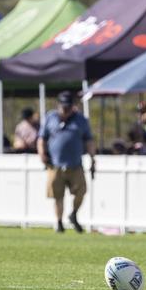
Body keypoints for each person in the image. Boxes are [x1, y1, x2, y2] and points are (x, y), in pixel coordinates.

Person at [37, 92, 95, 233]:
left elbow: (89, 140)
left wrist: (93, 158)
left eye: (68, 107)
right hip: (55, 164)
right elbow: (41, 138)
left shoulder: (80, 120)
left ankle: (73, 213)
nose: (66, 110)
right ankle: (59, 223)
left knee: (81, 192)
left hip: (75, 164)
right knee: (58, 195)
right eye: (64, 107)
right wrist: (42, 154)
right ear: (59, 105)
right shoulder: (50, 118)